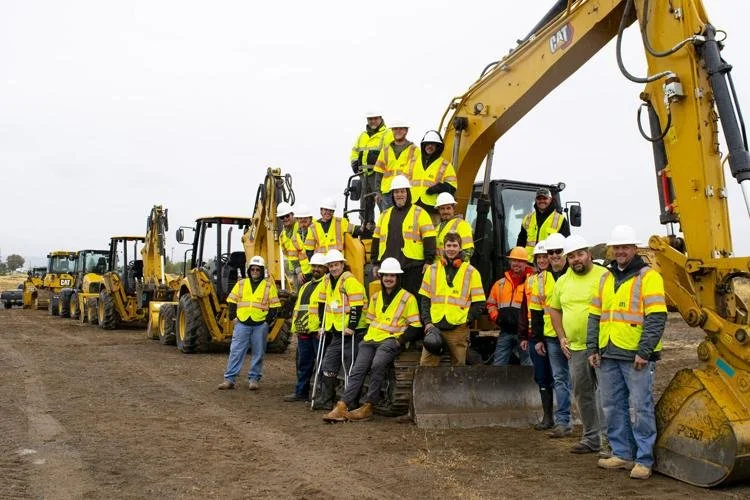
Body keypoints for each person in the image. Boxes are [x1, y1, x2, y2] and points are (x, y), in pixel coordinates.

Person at [588, 225, 667, 480]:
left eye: (625, 247)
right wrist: (593, 347)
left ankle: (644, 459)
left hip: (636, 356)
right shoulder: (605, 278)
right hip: (608, 352)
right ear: (612, 250)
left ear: (634, 249)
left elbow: (656, 317)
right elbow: (595, 315)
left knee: (640, 407)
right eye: (617, 247)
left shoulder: (648, 277)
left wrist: (644, 351)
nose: (620, 251)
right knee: (612, 406)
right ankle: (622, 453)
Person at [323, 258, 422, 423]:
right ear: (381, 277)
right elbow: (370, 320)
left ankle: (369, 405)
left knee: (377, 364)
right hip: (371, 339)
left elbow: (415, 325)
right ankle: (342, 405)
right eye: (385, 276)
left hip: (391, 340)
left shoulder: (408, 298)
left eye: (392, 276)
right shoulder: (376, 297)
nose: (388, 279)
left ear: (398, 278)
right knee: (358, 369)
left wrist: (400, 341)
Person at [548, 235, 608, 454]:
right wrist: (561, 336)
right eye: (571, 256)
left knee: (607, 394)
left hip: (603, 347)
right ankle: (591, 438)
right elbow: (554, 309)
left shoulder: (604, 276)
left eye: (580, 254)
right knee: (583, 394)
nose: (576, 259)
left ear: (589, 254)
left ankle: (610, 440)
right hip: (576, 348)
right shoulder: (563, 281)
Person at [309, 249, 368, 410]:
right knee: (328, 363)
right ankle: (327, 400)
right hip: (335, 330)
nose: (334, 268)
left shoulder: (350, 281)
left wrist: (351, 326)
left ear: (342, 264)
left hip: (352, 332)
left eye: (336, 265)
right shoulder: (326, 281)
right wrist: (322, 324)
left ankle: (352, 402)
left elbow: (357, 306)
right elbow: (322, 303)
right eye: (331, 265)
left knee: (350, 367)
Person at [419, 232, 486, 366]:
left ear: (460, 248)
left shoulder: (472, 272)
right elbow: (425, 300)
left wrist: (466, 320)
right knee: (426, 365)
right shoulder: (431, 270)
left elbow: (479, 303)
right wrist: (427, 323)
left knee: (459, 366)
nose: (451, 249)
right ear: (443, 248)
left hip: (458, 329)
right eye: (448, 245)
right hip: (435, 327)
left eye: (454, 245)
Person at [218, 255, 281, 391]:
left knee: (258, 353)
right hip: (242, 323)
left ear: (262, 270)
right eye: (253, 269)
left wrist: (266, 322)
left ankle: (254, 379)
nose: (255, 272)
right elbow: (232, 301)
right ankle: (229, 379)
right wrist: (233, 317)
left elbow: (275, 306)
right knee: (236, 351)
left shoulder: (269, 286)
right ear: (249, 270)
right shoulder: (241, 284)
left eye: (258, 270)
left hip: (260, 324)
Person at [530, 233, 571, 434]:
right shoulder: (540, 280)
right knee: (560, 379)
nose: (554, 256)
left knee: (584, 382)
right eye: (550, 252)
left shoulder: (573, 274)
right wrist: (537, 339)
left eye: (558, 252)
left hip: (575, 337)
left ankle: (594, 426)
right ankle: (563, 422)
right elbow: (536, 311)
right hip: (552, 337)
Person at [371, 175, 436, 296]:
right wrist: (375, 263)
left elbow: (430, 238)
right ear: (392, 195)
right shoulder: (384, 215)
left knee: (411, 303)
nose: (399, 195)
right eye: (396, 192)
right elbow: (376, 239)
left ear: (408, 193)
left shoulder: (420, 213)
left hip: (412, 269)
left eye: (402, 191)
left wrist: (429, 261)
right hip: (389, 270)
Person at [284, 253, 328, 402]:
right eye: (314, 266)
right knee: (304, 364)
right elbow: (300, 308)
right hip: (303, 330)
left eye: (319, 267)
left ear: (325, 268)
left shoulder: (327, 285)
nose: (316, 269)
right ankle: (301, 392)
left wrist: (323, 327)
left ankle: (322, 395)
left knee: (321, 365)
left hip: (317, 331)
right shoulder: (306, 286)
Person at [521, 240, 556, 430]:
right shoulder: (532, 280)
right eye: (539, 257)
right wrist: (525, 336)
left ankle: (561, 416)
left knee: (558, 376)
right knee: (542, 376)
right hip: (537, 334)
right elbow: (525, 309)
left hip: (555, 334)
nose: (542, 260)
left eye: (545, 257)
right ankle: (547, 417)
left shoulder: (557, 277)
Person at [488, 246, 533, 366]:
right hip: (505, 332)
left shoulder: (532, 283)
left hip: (525, 334)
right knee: (498, 365)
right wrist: (497, 318)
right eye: (514, 260)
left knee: (528, 366)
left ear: (525, 263)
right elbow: (491, 303)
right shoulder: (500, 284)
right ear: (510, 262)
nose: (516, 263)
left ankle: (530, 386)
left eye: (520, 261)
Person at [350, 111, 394, 225]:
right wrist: (354, 162)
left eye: (375, 118)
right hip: (363, 175)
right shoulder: (362, 135)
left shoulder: (387, 134)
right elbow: (354, 151)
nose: (373, 121)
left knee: (382, 201)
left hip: (379, 175)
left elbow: (390, 154)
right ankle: (367, 227)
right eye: (370, 119)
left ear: (380, 118)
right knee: (365, 203)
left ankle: (386, 226)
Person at [373, 120, 421, 211]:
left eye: (401, 129)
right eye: (395, 129)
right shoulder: (386, 150)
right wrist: (377, 192)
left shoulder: (415, 150)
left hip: (406, 192)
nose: (398, 131)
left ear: (406, 131)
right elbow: (379, 172)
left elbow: (419, 173)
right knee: (387, 220)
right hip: (387, 193)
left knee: (404, 219)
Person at [516, 187, 571, 262]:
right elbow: (521, 242)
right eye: (539, 198)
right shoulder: (527, 218)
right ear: (536, 200)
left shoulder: (560, 219)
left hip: (549, 263)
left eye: (545, 198)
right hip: (529, 264)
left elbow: (566, 244)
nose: (542, 201)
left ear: (550, 199)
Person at [413, 130, 457, 215]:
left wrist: (439, 187)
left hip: (433, 209)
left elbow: (452, 187)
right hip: (413, 207)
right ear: (423, 145)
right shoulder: (413, 162)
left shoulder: (445, 165)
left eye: (433, 144)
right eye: (427, 143)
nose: (430, 146)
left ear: (438, 146)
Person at [277, 202, 311, 292]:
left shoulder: (301, 225)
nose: (285, 218)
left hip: (307, 268)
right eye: (282, 217)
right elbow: (287, 255)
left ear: (292, 214)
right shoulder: (282, 236)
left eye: (287, 216)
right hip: (294, 273)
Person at [434, 192, 474, 262]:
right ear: (439, 210)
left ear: (453, 209)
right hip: (440, 268)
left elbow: (468, 251)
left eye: (448, 208)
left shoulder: (462, 224)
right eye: (442, 209)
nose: (445, 211)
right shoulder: (438, 227)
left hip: (455, 268)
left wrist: (457, 263)